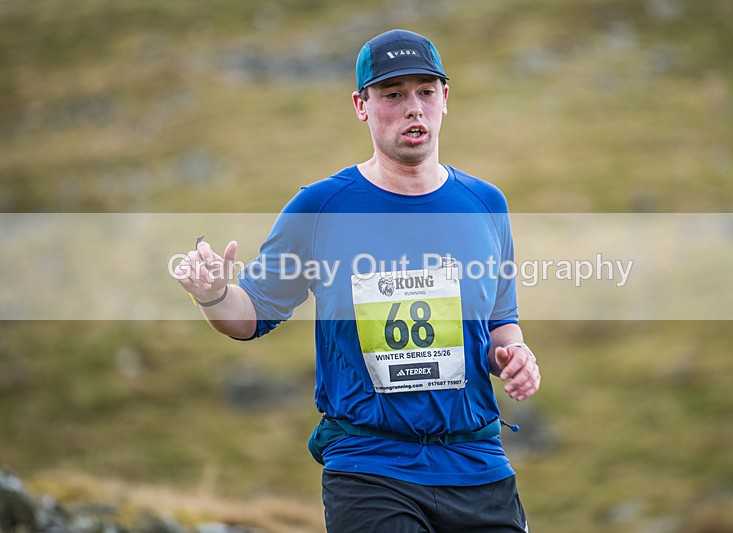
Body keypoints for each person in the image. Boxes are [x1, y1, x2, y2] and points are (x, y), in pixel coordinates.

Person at [175, 29, 541, 533]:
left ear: (445, 100)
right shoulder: (320, 208)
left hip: (477, 464)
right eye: (393, 94)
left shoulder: (485, 204)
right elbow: (251, 314)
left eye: (425, 92)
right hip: (370, 466)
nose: (413, 108)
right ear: (361, 104)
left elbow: (501, 322)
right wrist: (213, 294)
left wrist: (515, 357)